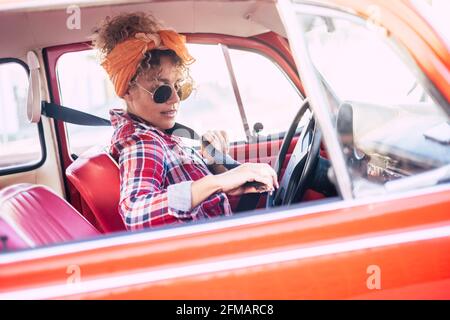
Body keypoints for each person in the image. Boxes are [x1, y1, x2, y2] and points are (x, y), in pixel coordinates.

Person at [91, 12, 278, 230]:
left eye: (179, 87)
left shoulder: (158, 132)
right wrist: (217, 182)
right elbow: (135, 212)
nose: (175, 98)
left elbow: (182, 181)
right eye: (160, 90)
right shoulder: (142, 141)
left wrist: (212, 161)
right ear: (127, 92)